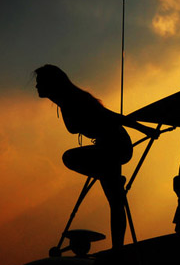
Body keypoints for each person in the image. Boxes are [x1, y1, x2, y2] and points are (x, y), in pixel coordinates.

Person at [34, 64, 158, 248]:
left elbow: (114, 117)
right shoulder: (65, 102)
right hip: (105, 149)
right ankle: (118, 247)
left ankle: (118, 249)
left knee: (71, 159)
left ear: (50, 83)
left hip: (115, 146)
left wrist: (144, 129)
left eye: (39, 82)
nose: (36, 86)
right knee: (115, 201)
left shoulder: (75, 100)